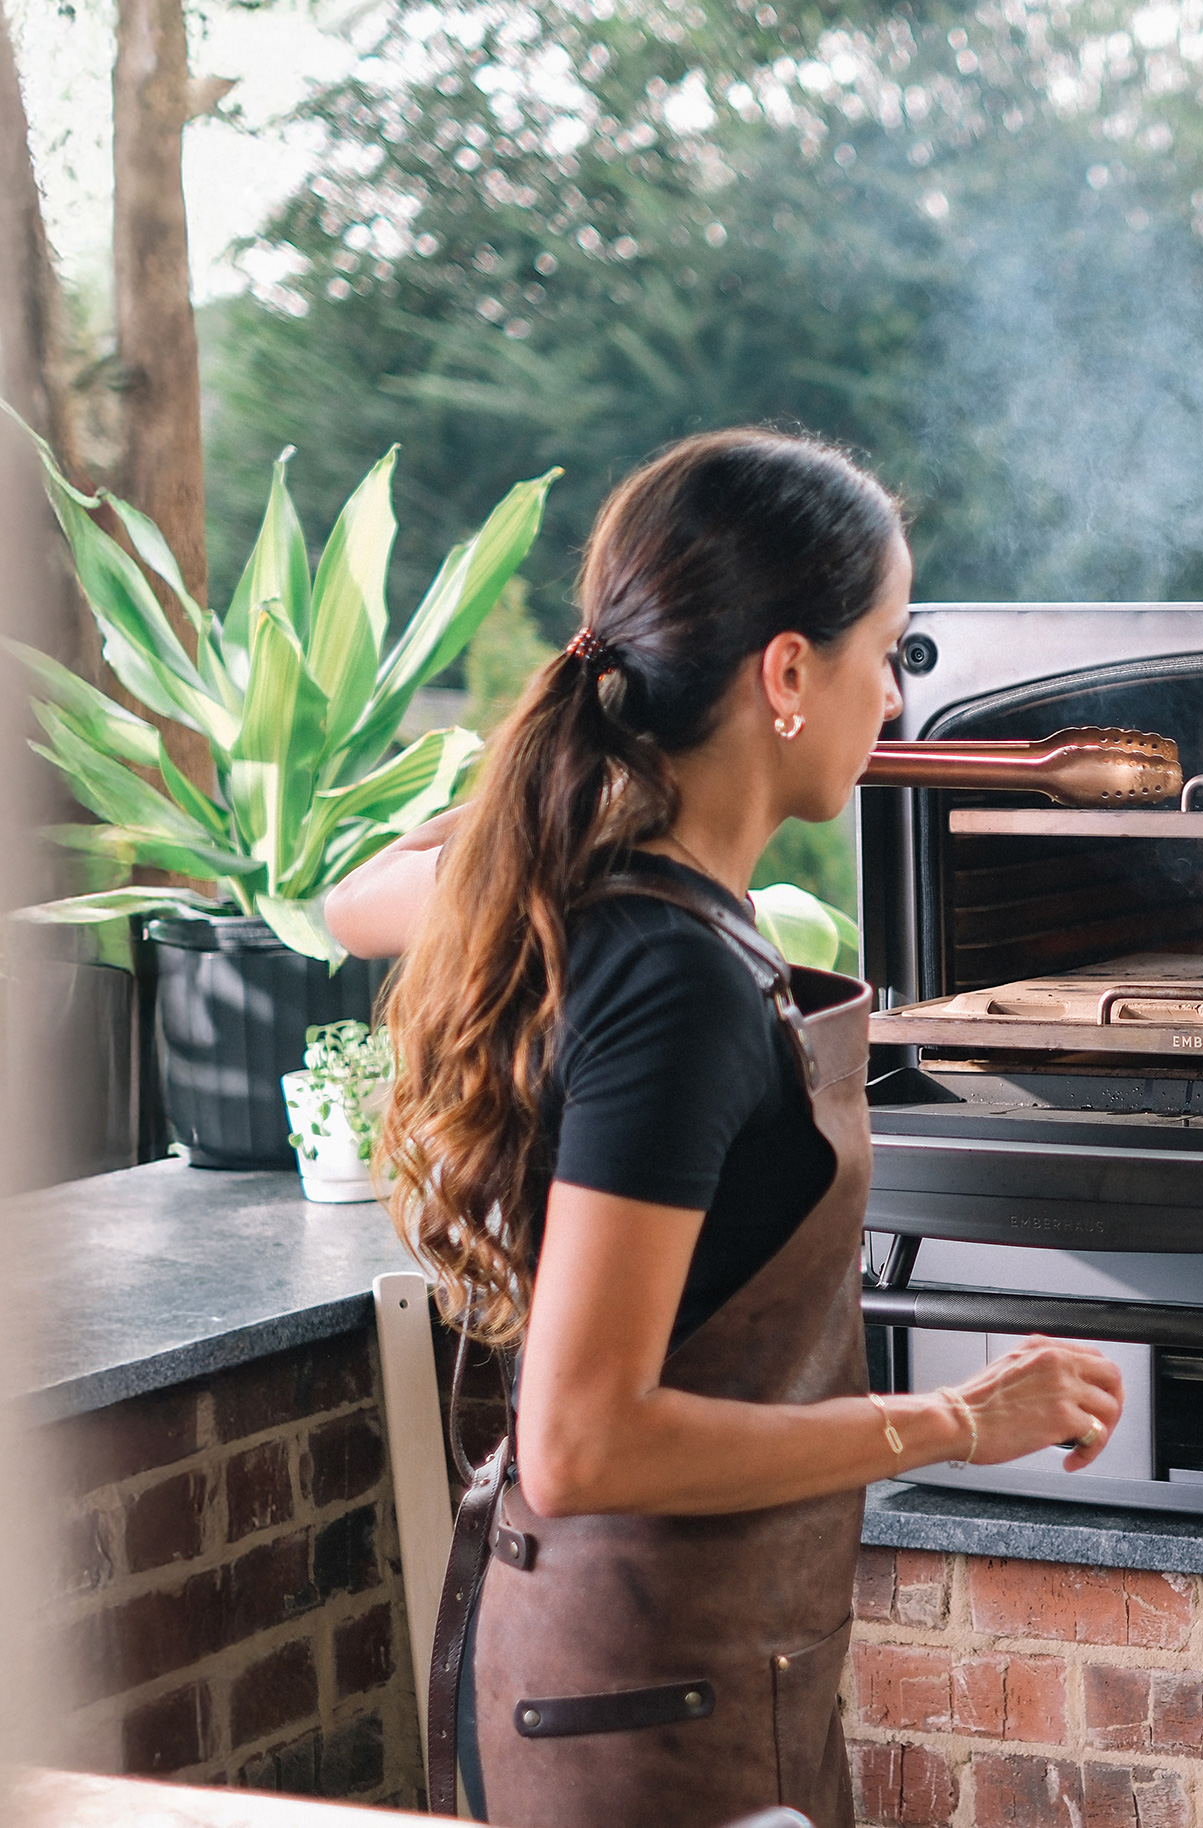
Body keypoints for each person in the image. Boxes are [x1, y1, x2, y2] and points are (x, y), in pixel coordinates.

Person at [343, 430, 1124, 1827]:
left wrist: (579, 747)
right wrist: (951, 1418)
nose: (890, 699)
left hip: (665, 1678)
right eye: (882, 652)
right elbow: (585, 1438)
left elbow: (357, 895)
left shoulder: (598, 892)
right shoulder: (675, 978)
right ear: (783, 672)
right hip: (641, 1713)